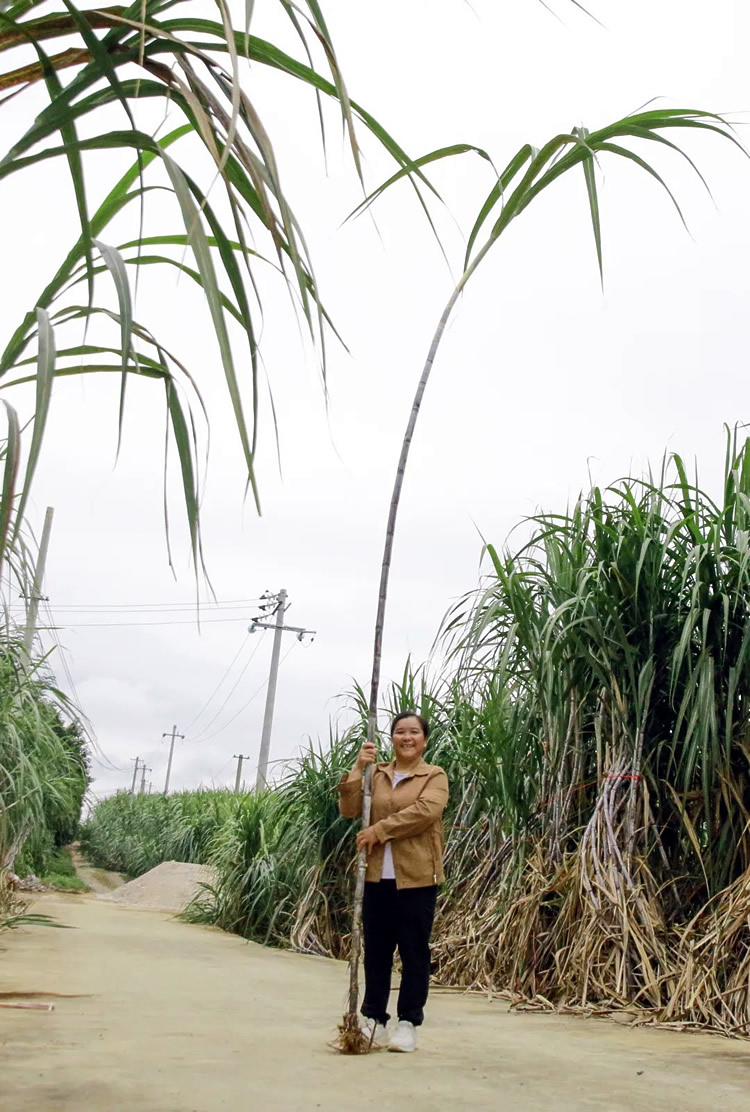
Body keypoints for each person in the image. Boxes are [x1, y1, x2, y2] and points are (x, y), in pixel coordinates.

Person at [337, 711, 449, 1053]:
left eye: (414, 732)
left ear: (424, 739)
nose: (407, 737)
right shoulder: (378, 773)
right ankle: (374, 1018)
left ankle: (408, 1022)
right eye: (400, 732)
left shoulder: (434, 776)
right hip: (375, 877)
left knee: (414, 952)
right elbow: (350, 808)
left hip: (416, 877)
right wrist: (358, 768)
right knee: (377, 951)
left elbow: (424, 813)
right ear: (392, 738)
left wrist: (379, 830)